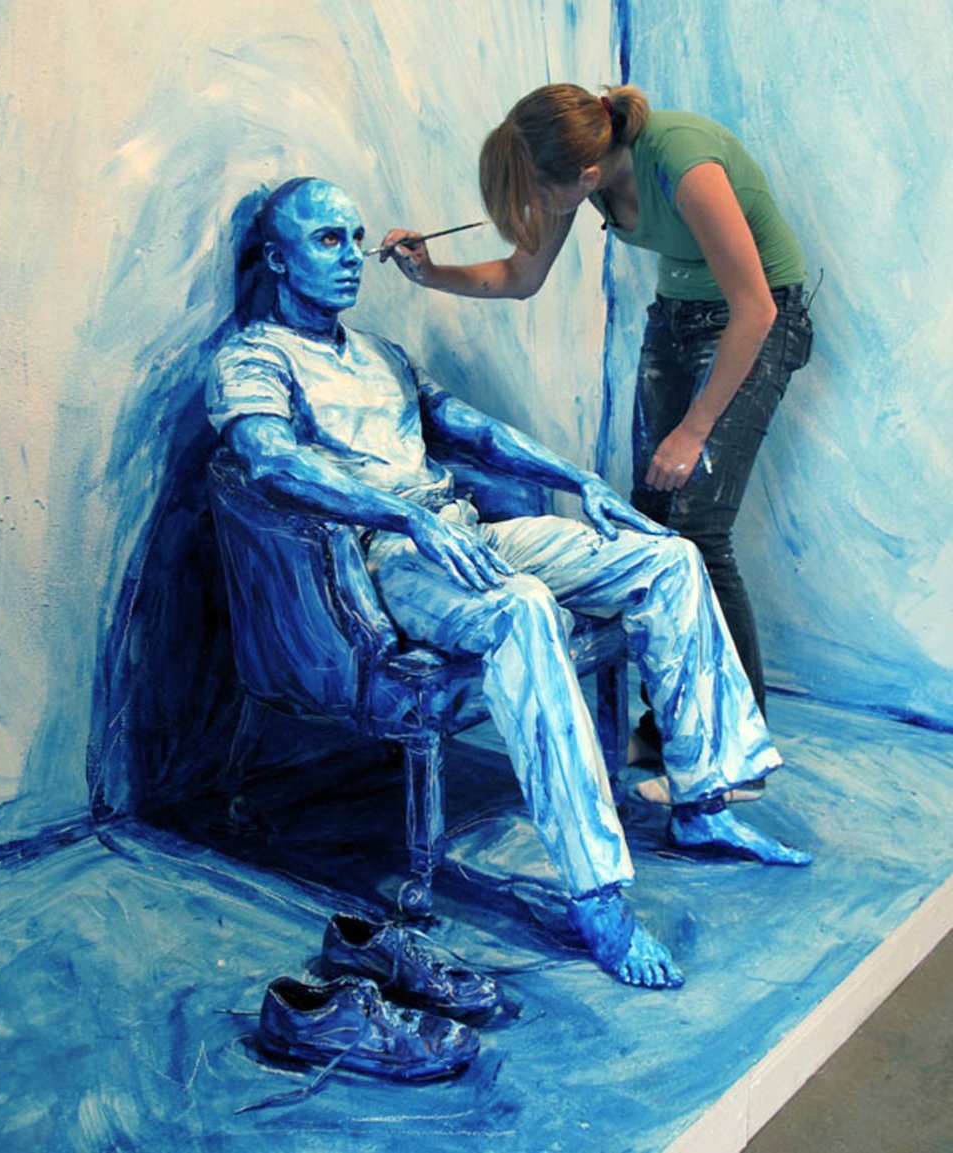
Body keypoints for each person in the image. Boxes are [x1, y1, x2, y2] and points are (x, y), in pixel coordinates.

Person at [207, 177, 812, 992]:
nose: (351, 255)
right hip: (382, 558)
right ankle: (597, 896)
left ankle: (703, 803)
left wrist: (579, 481)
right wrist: (404, 515)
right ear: (278, 259)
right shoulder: (253, 357)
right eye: (326, 240)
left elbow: (470, 429)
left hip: (461, 528)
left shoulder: (381, 355)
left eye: (354, 237)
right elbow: (268, 460)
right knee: (522, 608)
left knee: (666, 557)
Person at [379, 83, 814, 779]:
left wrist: (694, 430)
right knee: (651, 527)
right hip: (677, 319)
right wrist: (429, 274)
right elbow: (520, 276)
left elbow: (755, 308)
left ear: (585, 176)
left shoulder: (683, 161)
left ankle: (735, 751)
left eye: (537, 194)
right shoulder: (581, 170)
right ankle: (670, 728)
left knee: (698, 530)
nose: (532, 207)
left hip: (756, 322)